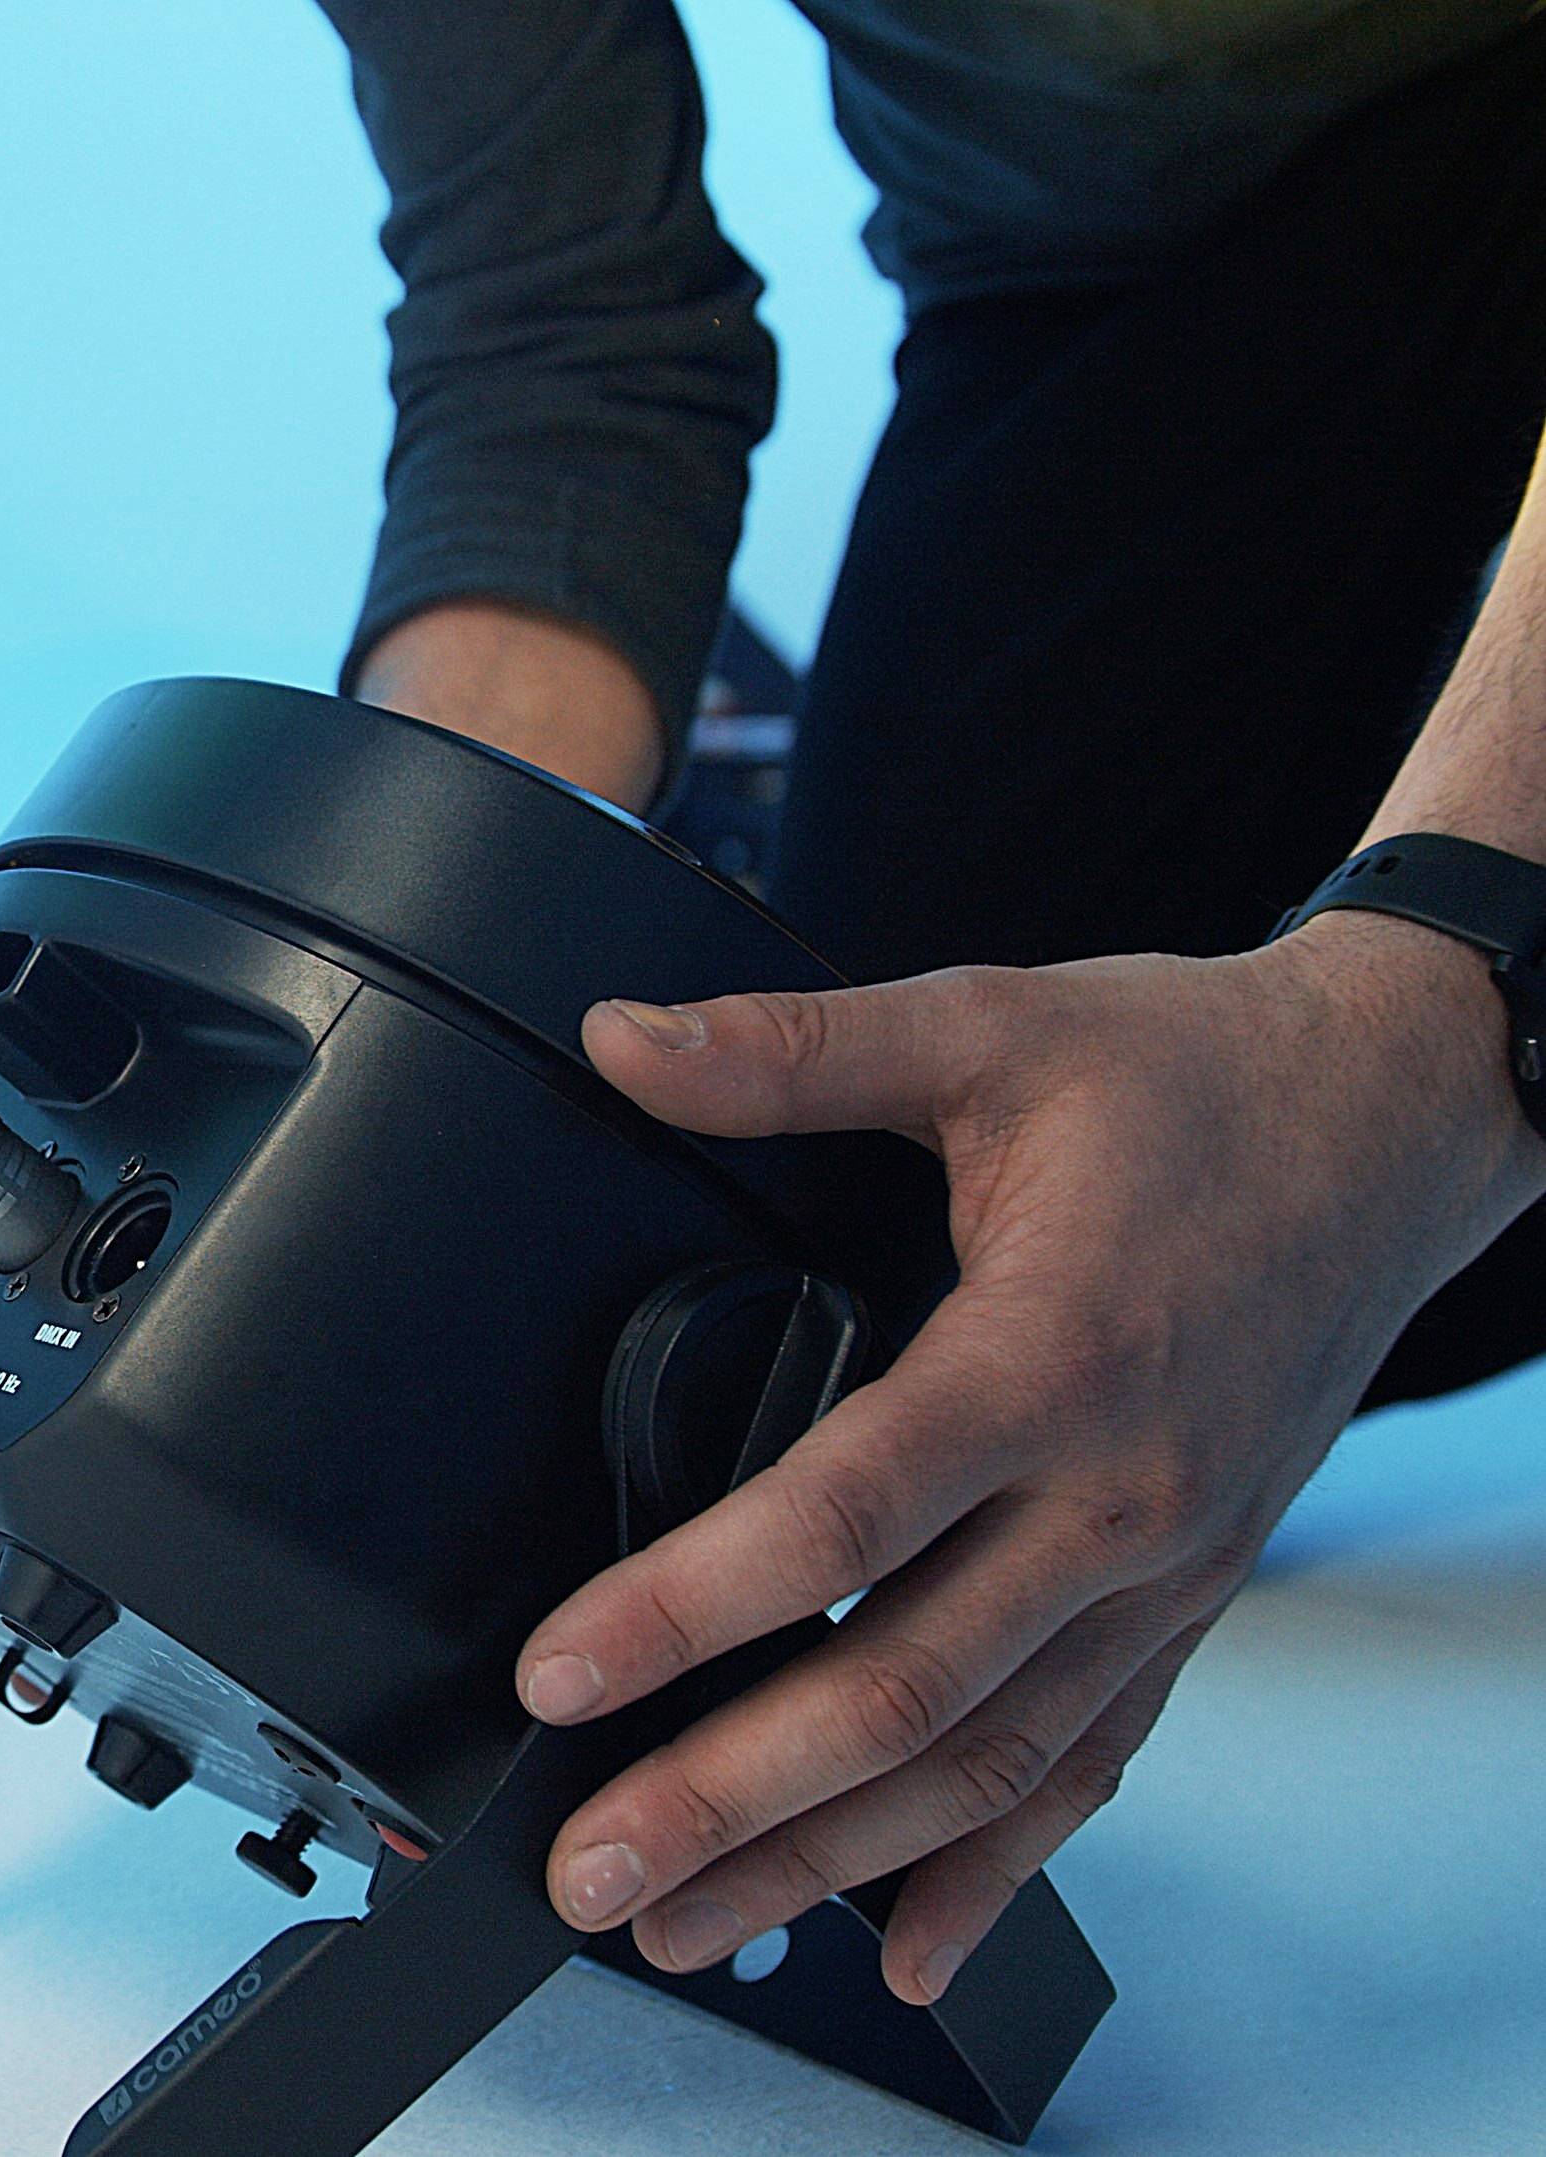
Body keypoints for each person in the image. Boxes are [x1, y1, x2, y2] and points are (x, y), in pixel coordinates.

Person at [310, 2, 1546, 2009]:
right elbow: (560, 333)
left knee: (1354, 1201)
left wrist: (1435, 991)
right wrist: (381, 1050)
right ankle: (747, 814)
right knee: (963, 1270)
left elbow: (1426, 1048)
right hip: (1111, 279)